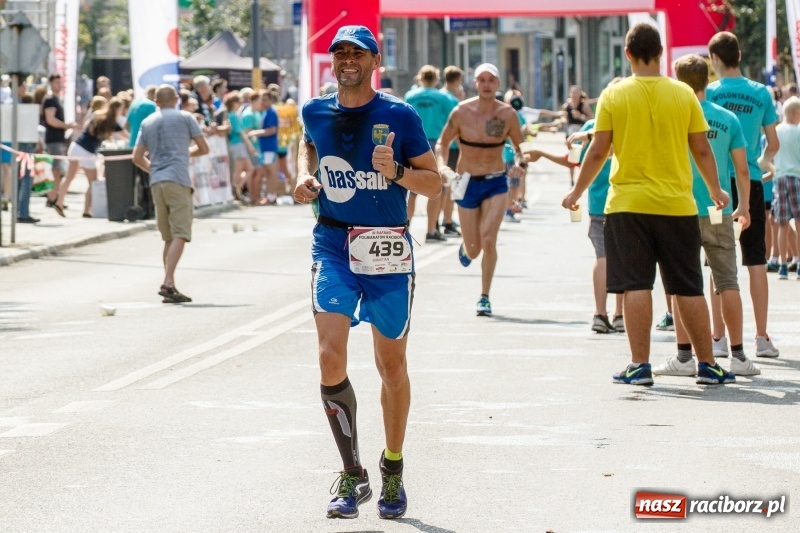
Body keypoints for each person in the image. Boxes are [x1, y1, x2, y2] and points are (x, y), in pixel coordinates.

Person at [293, 25, 439, 520]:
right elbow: (307, 142)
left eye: (357, 53)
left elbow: (435, 183)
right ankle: (352, 473)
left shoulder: (399, 115)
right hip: (332, 241)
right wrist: (302, 174)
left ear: (375, 61)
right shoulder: (316, 109)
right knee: (330, 356)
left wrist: (397, 172)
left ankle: (392, 466)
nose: (347, 60)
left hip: (386, 247)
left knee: (390, 365)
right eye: (340, 53)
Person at [562, 23, 735, 386]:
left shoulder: (615, 95)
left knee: (636, 284)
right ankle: (707, 365)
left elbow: (598, 150)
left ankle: (640, 365)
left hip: (627, 204)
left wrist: (577, 192)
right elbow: (701, 148)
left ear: (627, 54)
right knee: (688, 285)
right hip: (677, 205)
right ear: (660, 53)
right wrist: (716, 189)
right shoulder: (684, 94)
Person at [653, 54, 760, 378]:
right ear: (706, 79)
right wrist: (743, 206)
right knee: (727, 280)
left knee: (681, 284)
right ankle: (739, 355)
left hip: (679, 208)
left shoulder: (672, 116)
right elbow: (742, 169)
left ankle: (684, 357)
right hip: (718, 208)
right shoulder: (727, 118)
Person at [707, 31, 781, 358]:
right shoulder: (761, 93)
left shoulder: (709, 93)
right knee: (756, 261)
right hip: (750, 181)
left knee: (716, 261)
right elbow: (773, 144)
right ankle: (761, 337)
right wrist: (760, 164)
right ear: (738, 55)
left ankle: (718, 337)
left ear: (716, 59)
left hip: (717, 186)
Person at [436, 63, 526, 316]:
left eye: (491, 80)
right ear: (475, 83)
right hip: (465, 182)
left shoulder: (507, 114)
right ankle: (467, 246)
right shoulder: (461, 112)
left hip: (496, 181)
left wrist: (520, 164)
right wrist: (443, 167)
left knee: (489, 239)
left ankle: (484, 296)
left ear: (497, 84)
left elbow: (521, 148)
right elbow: (442, 144)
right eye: (482, 80)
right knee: (474, 249)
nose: (486, 84)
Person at [133, 85, 209, 304]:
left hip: (157, 181)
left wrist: (155, 169)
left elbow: (137, 157)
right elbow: (203, 148)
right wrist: (187, 153)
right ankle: (167, 281)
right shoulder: (186, 117)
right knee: (181, 232)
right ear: (176, 99)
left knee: (168, 236)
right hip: (178, 179)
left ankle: (171, 284)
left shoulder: (147, 122)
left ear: (156, 101)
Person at [405, 65, 456, 242]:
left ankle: (405, 228)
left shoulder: (411, 96)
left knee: (411, 189)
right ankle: (431, 230)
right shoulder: (442, 97)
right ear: (435, 79)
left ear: (420, 78)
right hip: (435, 143)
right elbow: (453, 118)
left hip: (412, 142)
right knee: (436, 187)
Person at [54, 97, 126, 218]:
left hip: (76, 145)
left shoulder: (97, 115)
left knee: (69, 177)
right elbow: (126, 136)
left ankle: (59, 202)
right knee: (93, 182)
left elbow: (85, 127)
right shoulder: (112, 122)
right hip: (86, 151)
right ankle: (87, 210)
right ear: (118, 109)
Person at [772, 96, 800, 280]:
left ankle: (782, 264)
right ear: (795, 113)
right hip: (796, 178)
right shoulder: (798, 132)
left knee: (782, 224)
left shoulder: (775, 131)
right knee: (798, 221)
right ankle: (798, 263)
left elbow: (767, 157)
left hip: (779, 178)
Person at [42, 73, 79, 209]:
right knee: (56, 169)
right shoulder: (50, 100)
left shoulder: (57, 99)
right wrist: (67, 125)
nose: (59, 85)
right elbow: (50, 119)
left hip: (58, 138)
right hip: (53, 139)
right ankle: (52, 196)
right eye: (57, 82)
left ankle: (54, 195)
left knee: (57, 169)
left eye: (60, 82)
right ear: (51, 83)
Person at [437, 65, 465, 236]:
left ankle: (437, 221)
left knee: (440, 185)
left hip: (437, 144)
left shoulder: (437, 96)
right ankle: (448, 221)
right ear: (457, 81)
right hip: (453, 147)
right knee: (454, 184)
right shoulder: (453, 101)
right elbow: (459, 128)